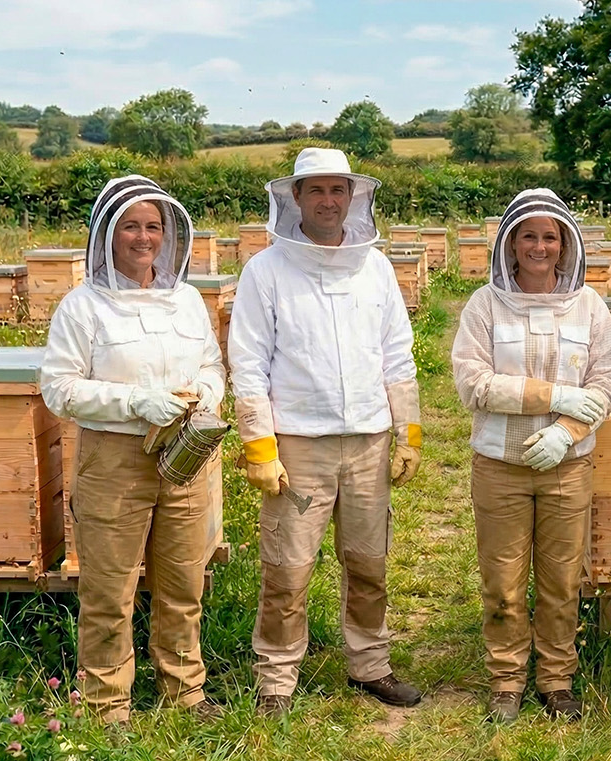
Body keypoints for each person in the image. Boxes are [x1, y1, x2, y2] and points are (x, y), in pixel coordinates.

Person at [229, 147, 423, 716]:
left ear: (353, 196)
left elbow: (397, 355)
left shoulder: (377, 267)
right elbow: (249, 362)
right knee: (287, 569)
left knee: (368, 563)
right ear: (295, 198)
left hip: (368, 439)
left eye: (338, 190)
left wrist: (408, 431)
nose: (328, 201)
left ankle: (370, 665)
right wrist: (259, 446)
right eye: (316, 190)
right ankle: (276, 680)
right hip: (298, 443)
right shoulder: (266, 270)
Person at [40, 175, 226, 726]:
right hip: (115, 461)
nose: (143, 238)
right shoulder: (82, 307)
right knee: (109, 591)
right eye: (130, 226)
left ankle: (185, 691)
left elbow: (212, 364)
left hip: (188, 457)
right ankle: (105, 705)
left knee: (183, 583)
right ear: (107, 236)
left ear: (169, 236)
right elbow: (59, 388)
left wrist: (209, 394)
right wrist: (135, 402)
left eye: (153, 226)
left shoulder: (188, 300)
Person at [450, 189, 611, 723]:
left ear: (565, 244)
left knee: (561, 578)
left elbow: (608, 382)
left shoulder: (590, 306)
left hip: (568, 467)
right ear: (510, 242)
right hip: (499, 466)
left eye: (550, 236)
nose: (540, 246)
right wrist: (552, 397)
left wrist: (567, 432)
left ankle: (556, 678)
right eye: (529, 235)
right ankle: (506, 679)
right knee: (501, 581)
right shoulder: (484, 304)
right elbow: (472, 383)